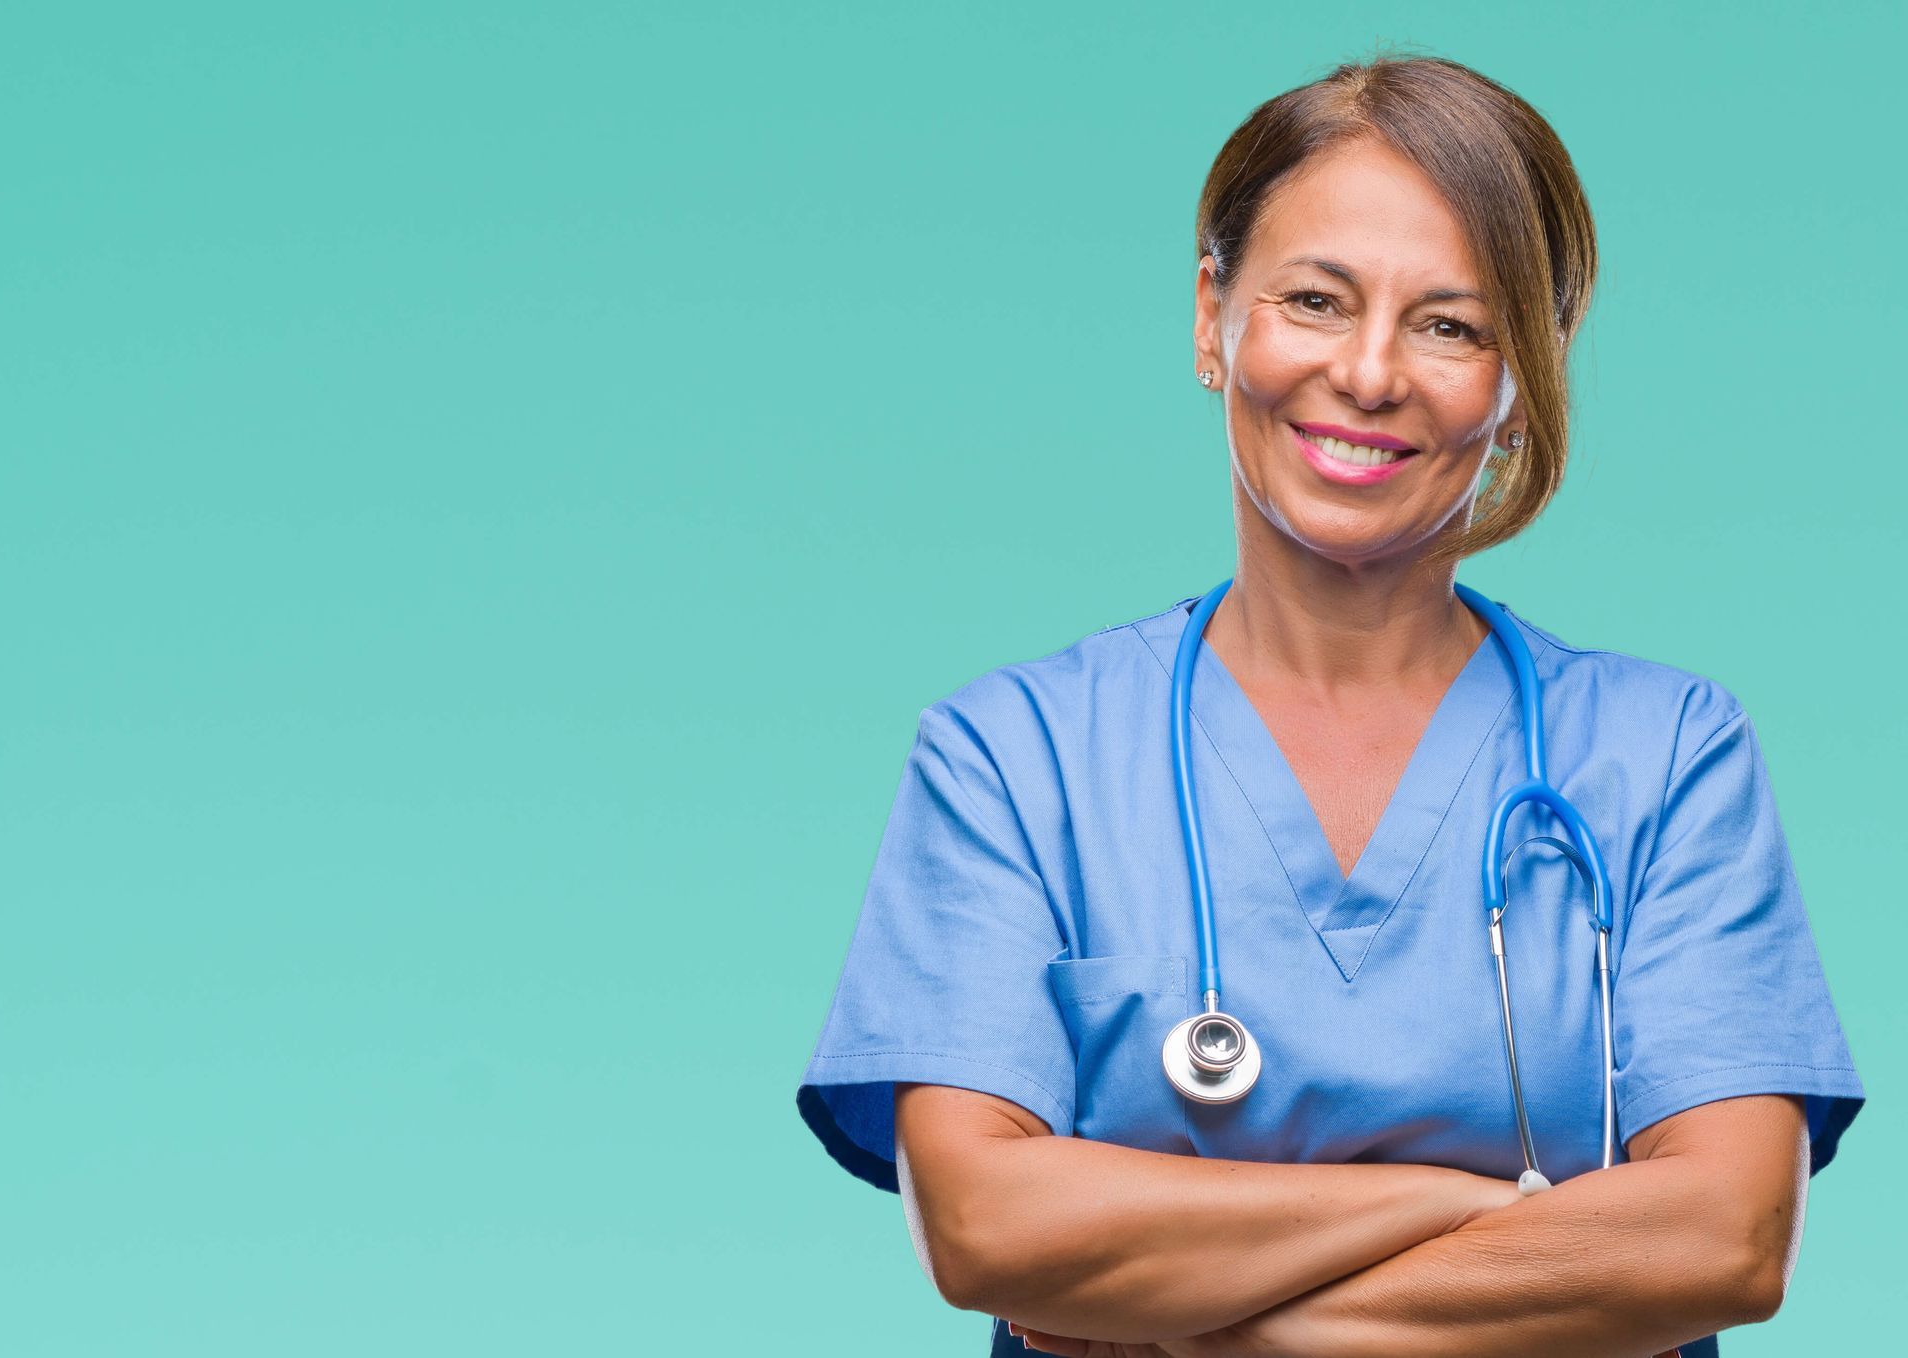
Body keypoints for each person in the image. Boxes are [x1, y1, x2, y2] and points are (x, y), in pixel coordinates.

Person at [793, 53, 1864, 1358]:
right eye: (1314, 298)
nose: (1369, 374)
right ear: (1211, 321)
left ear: (1525, 377)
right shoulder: (1014, 758)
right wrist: (1485, 1211)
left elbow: (1726, 1238)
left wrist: (1203, 1316)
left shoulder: (1669, 755)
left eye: (1452, 325)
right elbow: (985, 1229)